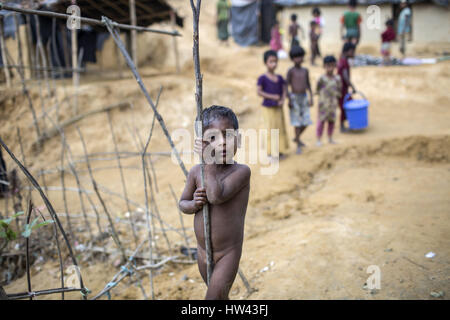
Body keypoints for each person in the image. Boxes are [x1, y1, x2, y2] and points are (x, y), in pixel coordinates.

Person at [179, 105, 251, 300]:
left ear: (239, 139)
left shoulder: (241, 172)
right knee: (219, 298)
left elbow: (216, 196)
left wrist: (208, 163)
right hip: (203, 253)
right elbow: (182, 203)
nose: (222, 143)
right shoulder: (196, 172)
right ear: (202, 143)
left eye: (228, 136)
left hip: (228, 253)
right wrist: (193, 204)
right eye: (212, 138)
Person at [257, 50, 289, 159]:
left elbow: (284, 90)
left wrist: (282, 100)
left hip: (278, 108)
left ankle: (280, 151)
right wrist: (272, 97)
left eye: (275, 61)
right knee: (270, 129)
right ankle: (270, 153)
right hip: (268, 108)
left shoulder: (279, 78)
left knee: (279, 128)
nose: (273, 64)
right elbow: (259, 92)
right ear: (265, 63)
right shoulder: (262, 78)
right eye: (271, 62)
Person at [286, 46, 313, 154]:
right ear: (292, 59)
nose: (298, 59)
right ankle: (298, 145)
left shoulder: (305, 70)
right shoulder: (291, 71)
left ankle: (297, 137)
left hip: (304, 97)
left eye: (300, 57)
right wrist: (289, 99)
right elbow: (286, 86)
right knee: (297, 122)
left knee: (306, 121)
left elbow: (308, 85)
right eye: (296, 57)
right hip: (294, 98)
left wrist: (311, 97)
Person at [315, 55, 342, 146]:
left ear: (335, 66)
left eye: (331, 65)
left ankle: (330, 138)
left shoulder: (337, 78)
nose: (330, 68)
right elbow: (318, 89)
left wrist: (336, 98)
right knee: (321, 121)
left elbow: (339, 89)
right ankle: (319, 139)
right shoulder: (322, 79)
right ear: (324, 66)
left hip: (333, 103)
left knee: (332, 121)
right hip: (323, 104)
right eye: (327, 66)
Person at [337, 42, 357, 132]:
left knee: (346, 104)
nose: (353, 53)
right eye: (352, 51)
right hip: (342, 89)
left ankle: (350, 122)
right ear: (347, 51)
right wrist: (352, 86)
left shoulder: (341, 60)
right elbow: (345, 77)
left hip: (342, 88)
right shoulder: (344, 62)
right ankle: (342, 126)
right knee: (345, 106)